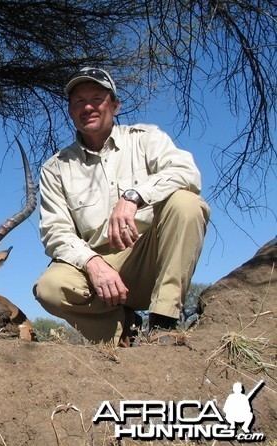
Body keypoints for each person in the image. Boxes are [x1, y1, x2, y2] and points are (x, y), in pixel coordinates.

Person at [33, 67, 210, 346]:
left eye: (97, 98)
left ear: (115, 105)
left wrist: (133, 196)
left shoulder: (146, 138)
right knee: (50, 288)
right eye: (78, 102)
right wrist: (92, 263)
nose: (87, 107)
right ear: (70, 111)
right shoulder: (55, 168)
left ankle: (164, 321)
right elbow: (56, 232)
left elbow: (187, 173)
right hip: (100, 270)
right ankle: (124, 331)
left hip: (150, 256)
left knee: (187, 203)